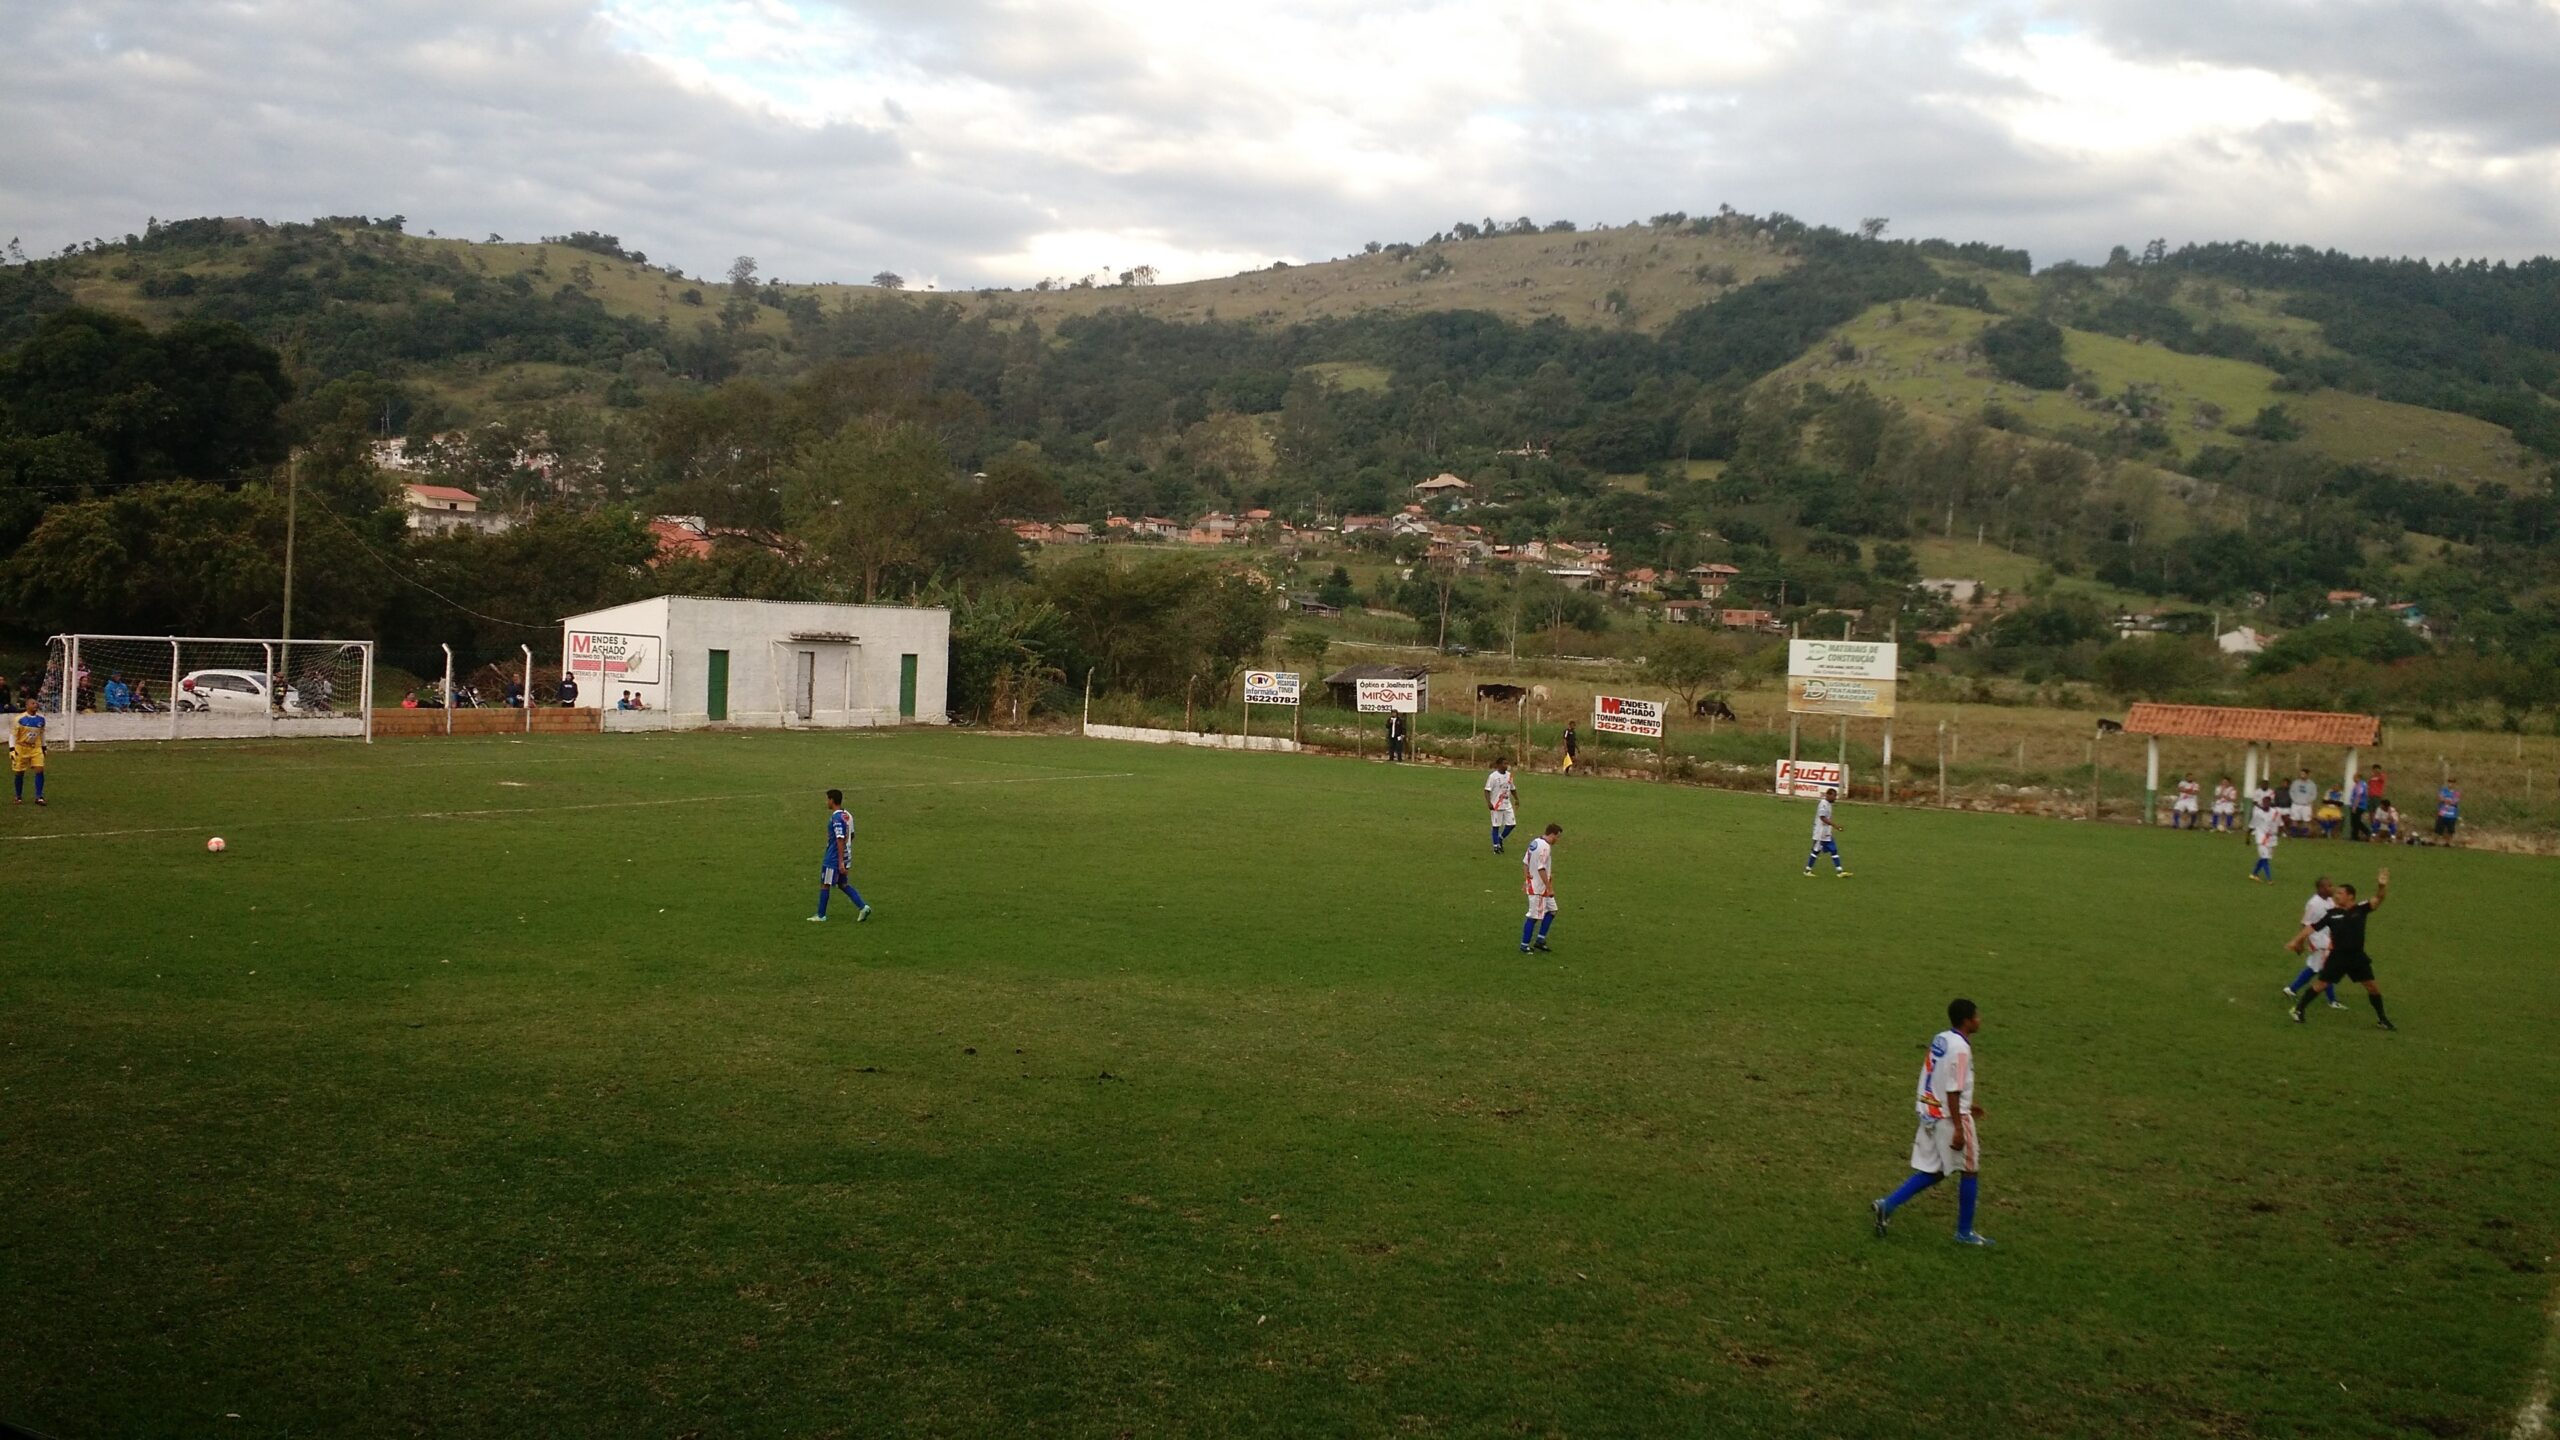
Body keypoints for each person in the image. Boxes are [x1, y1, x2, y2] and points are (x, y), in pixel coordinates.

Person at [1871, 997, 1992, 1247]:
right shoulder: (1961, 1048)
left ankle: (1887, 1205)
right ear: (1967, 1021)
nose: (1980, 1020)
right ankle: (1964, 1233)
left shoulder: (1942, 1038)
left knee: (1935, 1171)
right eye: (1977, 1017)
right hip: (1949, 1117)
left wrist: (1969, 1103)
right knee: (1970, 1170)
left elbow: (1938, 1075)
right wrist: (1959, 1126)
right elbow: (1953, 1089)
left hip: (1930, 1111)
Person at [2290, 871, 2394, 1030]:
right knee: (2321, 984)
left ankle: (2382, 1019)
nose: (2336, 895)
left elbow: (2379, 898)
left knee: (2372, 987)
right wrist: (2296, 940)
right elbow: (2312, 927)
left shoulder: (2361, 909)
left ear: (2350, 896)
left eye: (2340, 893)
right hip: (2338, 957)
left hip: (2357, 957)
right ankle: (2298, 1010)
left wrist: (2381, 886)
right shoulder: (2332, 914)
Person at [2282, 876, 2346, 1010]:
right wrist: (2300, 942)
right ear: (2321, 888)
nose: (2332, 888)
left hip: (2326, 938)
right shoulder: (2313, 903)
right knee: (2326, 969)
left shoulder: (2329, 900)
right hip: (2317, 940)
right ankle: (2332, 1000)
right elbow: (2304, 923)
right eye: (2329, 886)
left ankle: (2292, 989)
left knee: (2317, 968)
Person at [809, 788, 871, 922]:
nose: (826, 802)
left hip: (834, 857)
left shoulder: (836, 818)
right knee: (843, 884)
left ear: (832, 800)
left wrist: (840, 861)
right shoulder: (847, 815)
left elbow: (840, 838)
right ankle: (863, 907)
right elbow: (852, 835)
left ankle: (821, 915)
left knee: (825, 884)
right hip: (846, 854)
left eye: (827, 799)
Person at [1519, 823, 1561, 953]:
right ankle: (1524, 945)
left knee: (1552, 910)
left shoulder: (1535, 842)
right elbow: (1541, 868)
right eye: (1557, 837)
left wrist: (1526, 879)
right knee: (1533, 916)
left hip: (1536, 885)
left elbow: (1525, 862)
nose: (1557, 840)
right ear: (1552, 834)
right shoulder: (1545, 847)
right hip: (1538, 888)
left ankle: (1540, 940)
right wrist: (1549, 888)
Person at [1803, 786, 1849, 877]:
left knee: (1834, 850)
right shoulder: (1823, 804)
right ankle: (1807, 870)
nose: (1835, 798)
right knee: (1816, 851)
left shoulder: (1828, 804)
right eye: (1834, 796)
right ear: (1828, 795)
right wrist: (1835, 826)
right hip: (1820, 833)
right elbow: (1822, 817)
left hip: (1826, 833)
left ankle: (1840, 872)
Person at [10, 696, 47, 806]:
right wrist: (12, 749)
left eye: (36, 703)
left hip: (35, 748)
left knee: (40, 770)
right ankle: (18, 796)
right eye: (32, 703)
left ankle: (39, 797)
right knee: (19, 772)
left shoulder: (41, 720)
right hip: (21, 748)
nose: (35, 705)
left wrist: (44, 747)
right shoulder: (19, 719)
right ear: (27, 706)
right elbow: (12, 735)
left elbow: (42, 734)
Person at [1485, 757, 1519, 855]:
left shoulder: (1509, 776)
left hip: (1507, 804)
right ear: (1499, 765)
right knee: (1496, 826)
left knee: (1512, 824)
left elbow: (1512, 788)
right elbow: (1487, 790)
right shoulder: (1493, 776)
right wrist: (1489, 802)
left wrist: (1517, 799)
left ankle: (1500, 838)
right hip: (1496, 805)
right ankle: (1496, 846)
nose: (1506, 765)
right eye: (1504, 763)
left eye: (1507, 763)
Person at [2249, 791, 2281, 882]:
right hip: (2261, 838)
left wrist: (2288, 834)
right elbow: (2251, 826)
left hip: (2271, 839)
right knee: (2265, 859)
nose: (2265, 804)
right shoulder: (2258, 813)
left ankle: (2254, 873)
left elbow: (2281, 824)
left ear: (2270, 803)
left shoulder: (2275, 813)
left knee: (2264, 858)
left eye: (2267, 802)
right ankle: (2269, 879)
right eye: (2264, 802)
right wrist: (2247, 838)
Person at [2287, 769, 2315, 836]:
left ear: (2307, 775)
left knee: (2306, 820)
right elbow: (2291, 792)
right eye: (2301, 774)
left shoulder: (2311, 784)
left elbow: (2313, 794)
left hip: (2306, 805)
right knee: (2294, 819)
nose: (2302, 775)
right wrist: (2294, 799)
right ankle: (2294, 833)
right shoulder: (2295, 783)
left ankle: (2305, 834)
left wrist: (2308, 801)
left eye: (2303, 774)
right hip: (2296, 804)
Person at [2434, 780, 2460, 845]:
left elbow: (2455, 801)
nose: (2450, 784)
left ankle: (2448, 843)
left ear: (2455, 784)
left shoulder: (2456, 793)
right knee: (2438, 829)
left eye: (2452, 783)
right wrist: (2448, 800)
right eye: (2449, 782)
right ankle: (2434, 841)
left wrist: (2446, 800)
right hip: (2443, 813)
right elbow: (2440, 798)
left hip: (2452, 814)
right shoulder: (2443, 790)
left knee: (2450, 830)